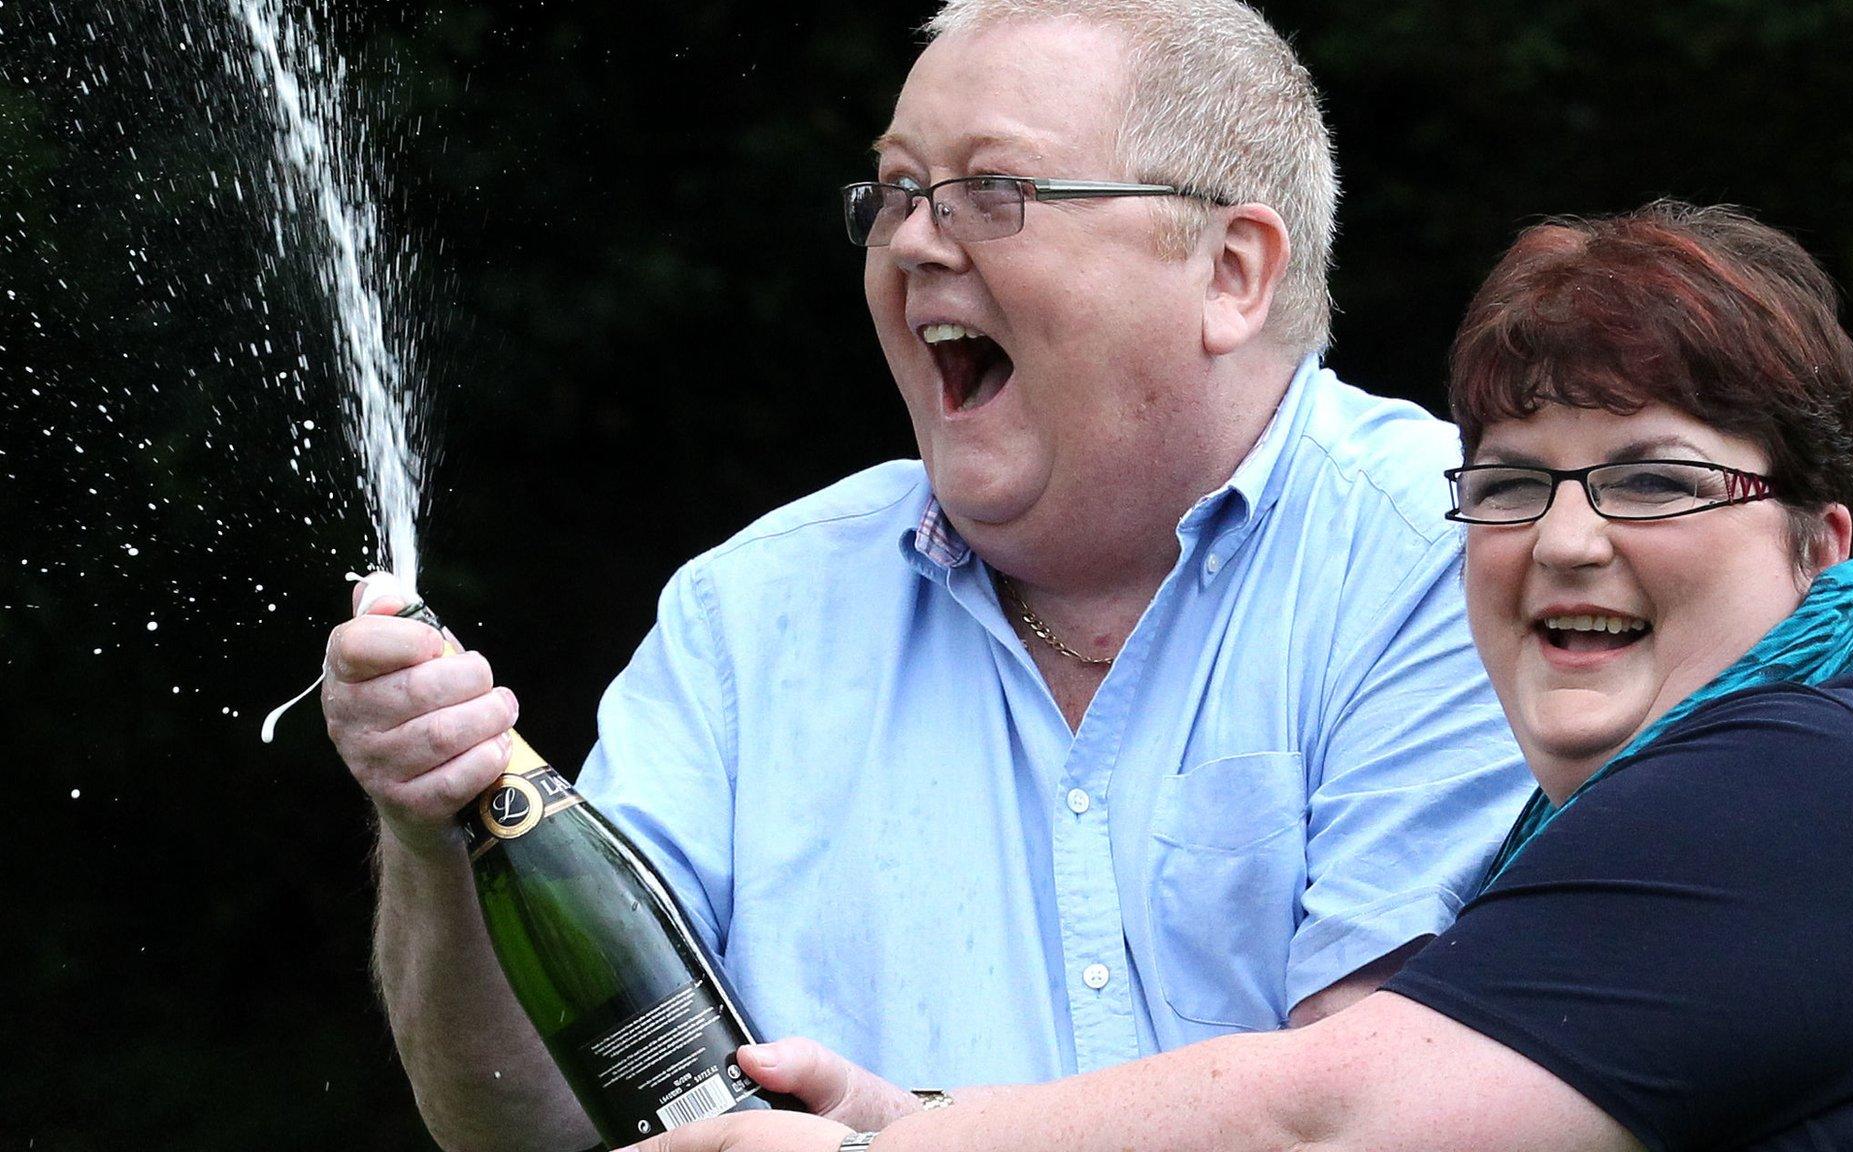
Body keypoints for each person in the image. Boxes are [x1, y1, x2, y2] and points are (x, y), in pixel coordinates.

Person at [322, 0, 1528, 1146]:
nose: (908, 240)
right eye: (895, 192)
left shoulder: (1458, 554)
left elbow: (1376, 1113)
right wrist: (433, 830)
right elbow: (520, 1119)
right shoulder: (748, 616)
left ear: (1230, 270)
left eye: (987, 194)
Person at [646, 201, 1853, 1152]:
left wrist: (903, 1144)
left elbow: (1325, 1120)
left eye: (1654, 481)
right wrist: (901, 1123)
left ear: (1821, 546)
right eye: (1508, 486)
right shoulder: (1708, 817)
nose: (1564, 541)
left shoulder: (1822, 782)